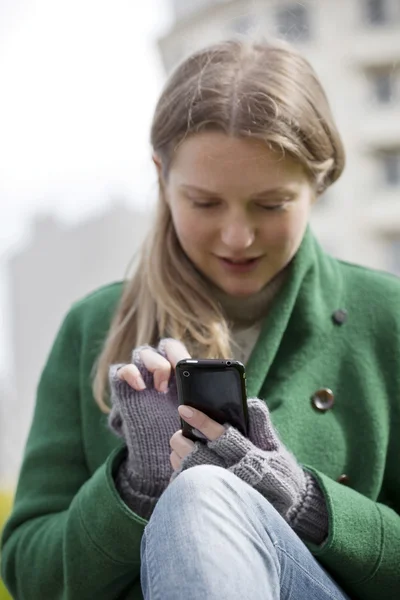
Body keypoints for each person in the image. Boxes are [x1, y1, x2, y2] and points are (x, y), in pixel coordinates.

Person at [1, 38, 399, 600]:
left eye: (271, 204)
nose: (238, 237)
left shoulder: (389, 317)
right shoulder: (93, 327)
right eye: (205, 203)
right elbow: (29, 576)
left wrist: (304, 501)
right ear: (161, 175)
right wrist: (136, 487)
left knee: (201, 493)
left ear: (320, 181)